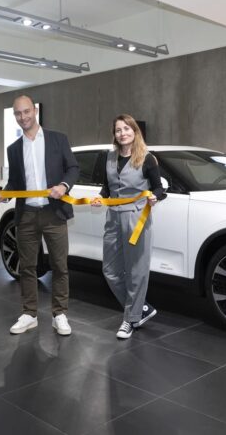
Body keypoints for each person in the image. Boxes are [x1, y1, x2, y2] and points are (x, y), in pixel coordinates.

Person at [0, 95, 79, 336]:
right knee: (27, 267)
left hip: (54, 212)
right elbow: (15, 183)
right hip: (26, 215)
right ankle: (29, 314)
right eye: (18, 113)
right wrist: (3, 194)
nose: (23, 117)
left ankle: (59, 314)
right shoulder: (13, 149)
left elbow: (73, 168)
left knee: (59, 266)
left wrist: (63, 186)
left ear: (35, 111)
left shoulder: (58, 139)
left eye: (26, 111)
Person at [91, 114, 166, 339]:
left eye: (126, 129)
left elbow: (159, 188)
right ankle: (140, 308)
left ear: (135, 131)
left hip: (137, 217)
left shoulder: (147, 158)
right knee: (110, 270)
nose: (122, 133)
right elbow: (107, 187)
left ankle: (130, 319)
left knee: (136, 271)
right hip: (113, 216)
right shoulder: (109, 157)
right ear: (114, 134)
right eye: (118, 130)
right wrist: (100, 197)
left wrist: (155, 197)